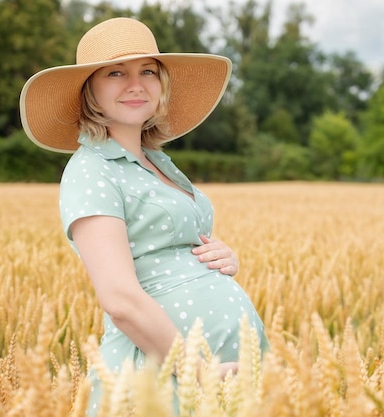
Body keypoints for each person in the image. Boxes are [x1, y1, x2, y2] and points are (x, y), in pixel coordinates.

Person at [19, 17, 269, 415]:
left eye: (147, 71)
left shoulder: (156, 162)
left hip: (214, 372)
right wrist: (195, 371)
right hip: (160, 376)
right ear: (89, 92)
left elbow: (170, 246)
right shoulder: (91, 169)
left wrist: (219, 257)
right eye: (116, 72)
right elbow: (119, 298)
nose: (136, 84)